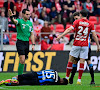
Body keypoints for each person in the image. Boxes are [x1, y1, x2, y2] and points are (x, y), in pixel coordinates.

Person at [56, 9, 100, 85]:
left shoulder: (77, 22)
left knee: (71, 60)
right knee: (82, 62)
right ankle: (79, 80)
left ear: (80, 15)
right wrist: (98, 45)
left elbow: (69, 29)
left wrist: (61, 35)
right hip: (85, 45)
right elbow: (94, 35)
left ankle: (67, 77)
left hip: (76, 44)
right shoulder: (91, 24)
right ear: (87, 15)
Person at [68, 12, 95, 85]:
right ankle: (72, 79)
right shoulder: (82, 24)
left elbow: (91, 36)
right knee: (75, 61)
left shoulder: (83, 24)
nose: (75, 20)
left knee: (88, 61)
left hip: (86, 46)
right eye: (74, 19)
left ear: (80, 16)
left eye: (76, 18)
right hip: (81, 45)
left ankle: (92, 79)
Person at [8, 9, 35, 75]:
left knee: (23, 60)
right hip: (20, 42)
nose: (28, 16)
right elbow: (14, 21)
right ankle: (20, 77)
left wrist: (33, 44)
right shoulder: (20, 21)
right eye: (27, 14)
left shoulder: (30, 23)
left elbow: (32, 34)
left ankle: (20, 75)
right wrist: (11, 17)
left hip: (27, 43)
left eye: (29, 14)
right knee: (22, 59)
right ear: (23, 14)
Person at [0, 69, 68, 86]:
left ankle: (11, 79)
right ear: (61, 82)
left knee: (19, 77)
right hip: (37, 81)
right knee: (20, 83)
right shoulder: (56, 82)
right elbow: (47, 83)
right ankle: (7, 83)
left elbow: (45, 70)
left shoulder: (55, 71)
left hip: (36, 74)